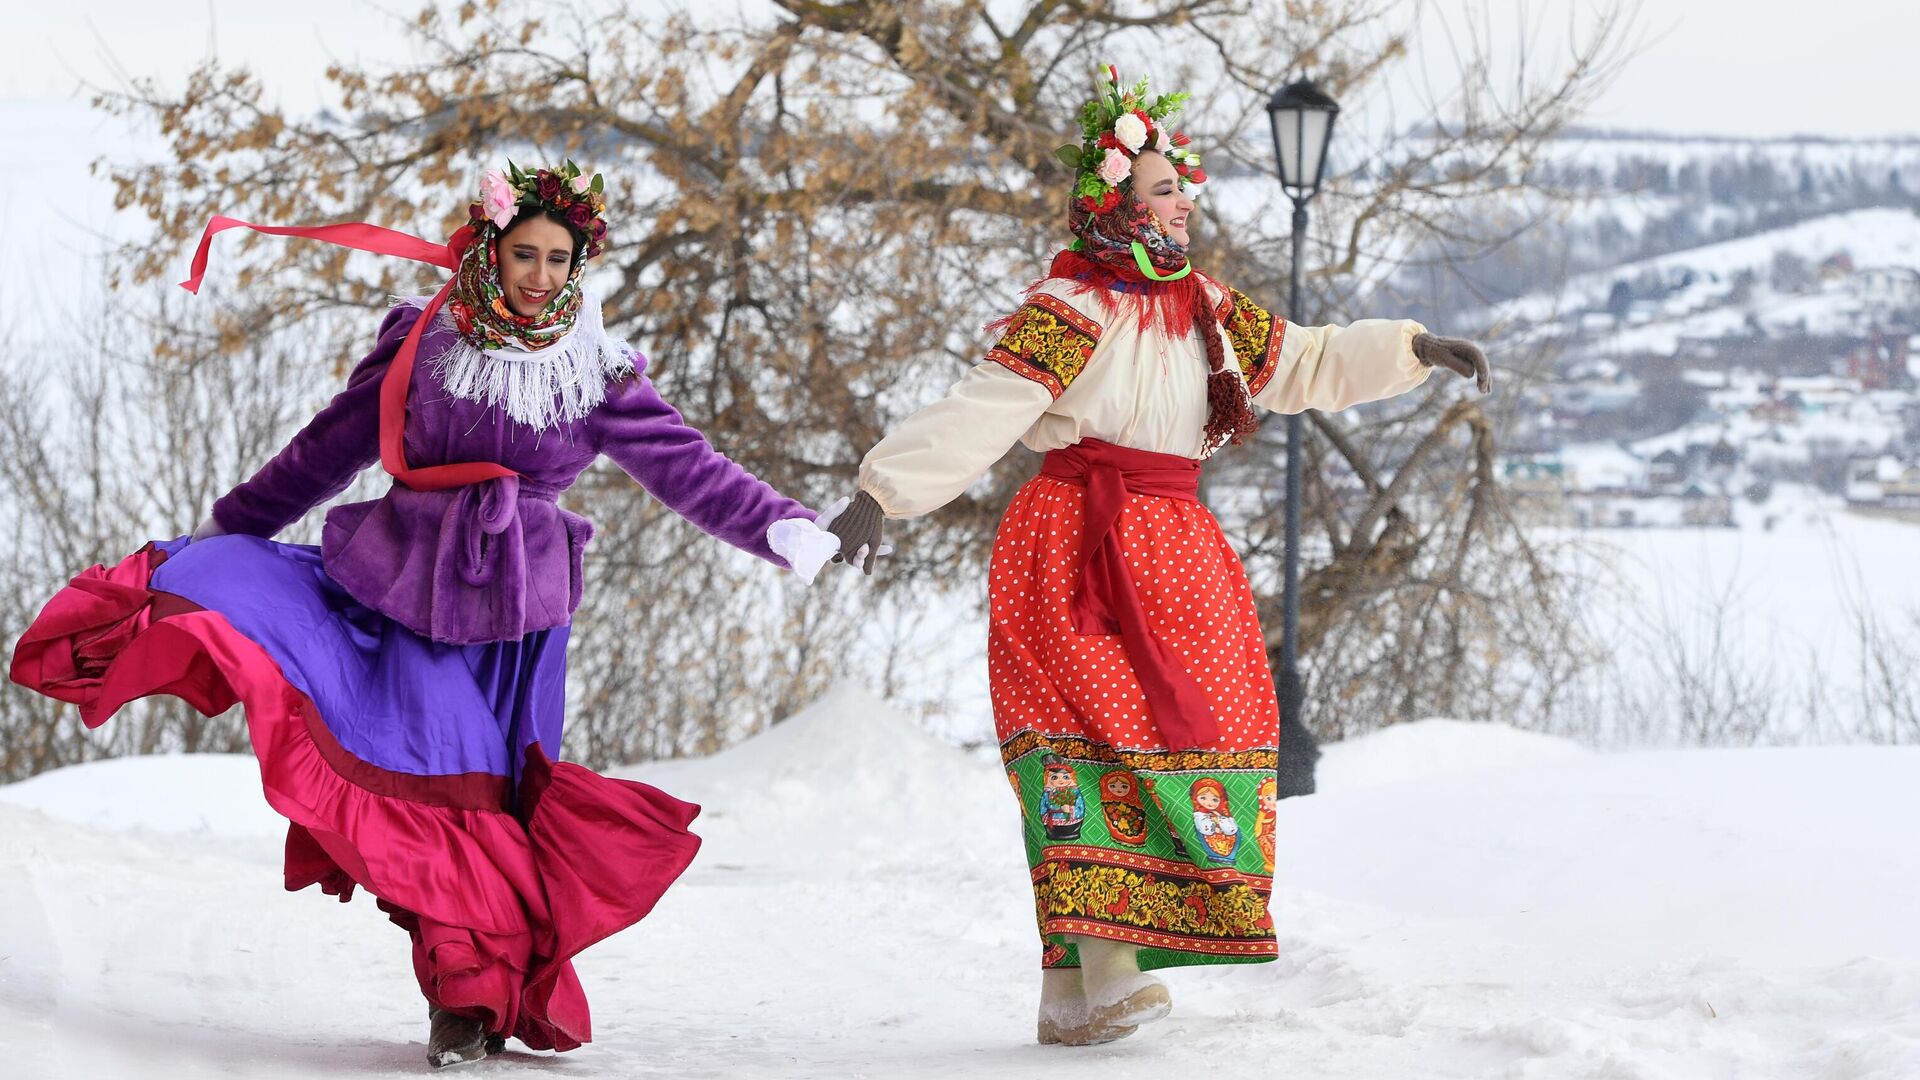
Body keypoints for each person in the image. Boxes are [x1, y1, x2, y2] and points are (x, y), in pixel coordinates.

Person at [8, 162, 840, 1068]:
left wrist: (780, 527)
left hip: (515, 629)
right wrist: (225, 529)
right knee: (441, 798)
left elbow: (689, 468)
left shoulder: (596, 374)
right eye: (524, 253)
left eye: (560, 260)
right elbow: (322, 452)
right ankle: (465, 1008)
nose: (540, 276)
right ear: (488, 248)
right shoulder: (425, 342)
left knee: (486, 808)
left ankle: (477, 999)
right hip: (400, 600)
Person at [823, 67, 1491, 1046]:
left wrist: (1414, 349)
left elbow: (1301, 361)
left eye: (1182, 187)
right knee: (1092, 743)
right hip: (1075, 544)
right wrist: (881, 495)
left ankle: (1068, 994)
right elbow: (986, 409)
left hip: (1177, 547)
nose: (1183, 202)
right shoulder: (1070, 307)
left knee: (1213, 727)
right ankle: (1106, 964)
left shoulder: (1204, 305)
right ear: (1113, 204)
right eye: (1162, 187)